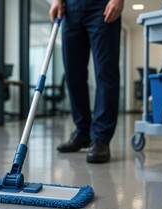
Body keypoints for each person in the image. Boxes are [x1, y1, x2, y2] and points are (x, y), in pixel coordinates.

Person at [49, 0, 124, 163]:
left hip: (102, 7)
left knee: (105, 72)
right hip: (71, 8)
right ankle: (82, 132)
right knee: (72, 73)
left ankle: (100, 137)